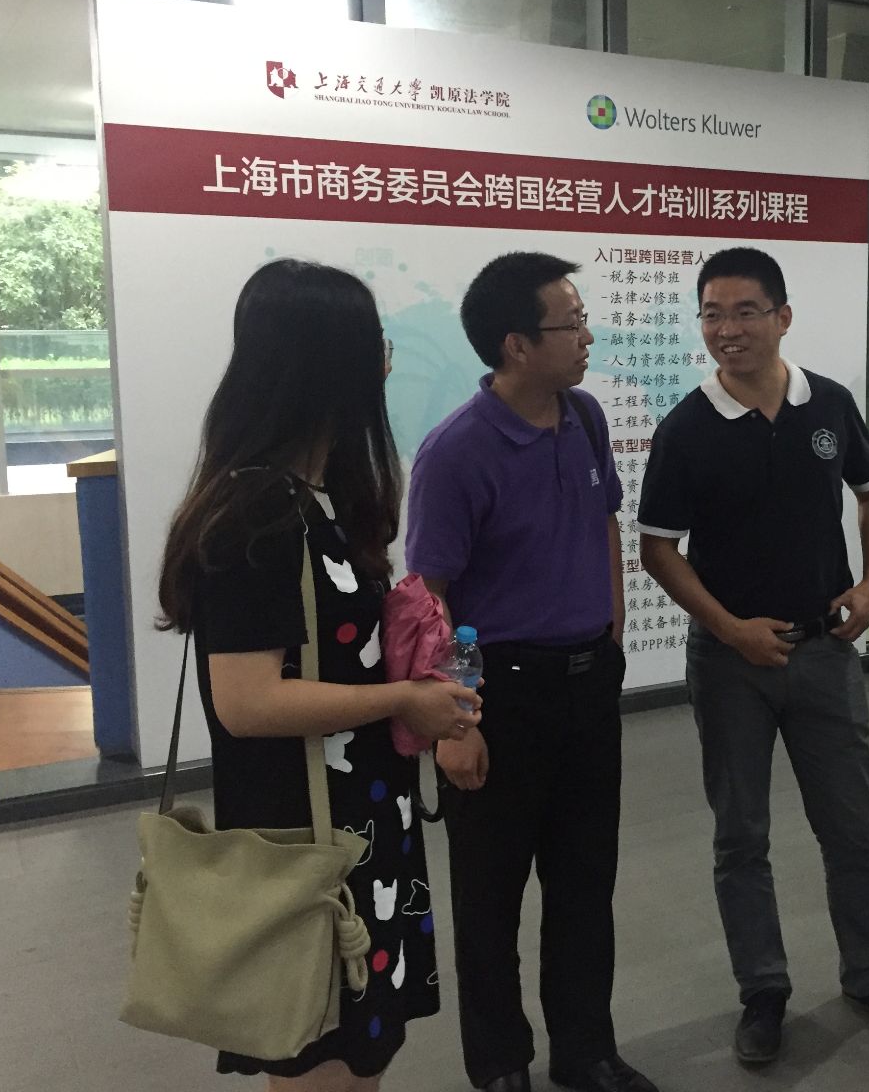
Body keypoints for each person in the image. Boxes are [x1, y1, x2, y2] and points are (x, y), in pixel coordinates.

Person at [156, 259, 478, 1091]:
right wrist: (403, 697)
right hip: (305, 838)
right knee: (317, 1047)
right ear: (328, 363)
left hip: (358, 826)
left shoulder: (318, 497)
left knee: (358, 1050)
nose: (387, 361)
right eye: (375, 344)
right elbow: (247, 701)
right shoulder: (257, 514)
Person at [637, 246, 869, 1066]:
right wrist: (730, 628)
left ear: (782, 317)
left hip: (825, 652)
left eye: (744, 312)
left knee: (853, 829)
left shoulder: (828, 404)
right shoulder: (687, 428)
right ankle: (763, 991)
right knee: (741, 837)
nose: (726, 330)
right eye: (712, 315)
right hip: (730, 665)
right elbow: (659, 550)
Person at [405, 252, 658, 1092]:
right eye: (571, 324)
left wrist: (612, 633)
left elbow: (605, 523)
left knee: (585, 885)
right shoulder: (456, 453)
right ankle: (500, 1064)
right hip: (499, 695)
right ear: (517, 344)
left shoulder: (583, 417)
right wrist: (455, 722)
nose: (587, 337)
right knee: (490, 898)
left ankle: (585, 1051)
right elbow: (429, 596)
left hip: (586, 685)